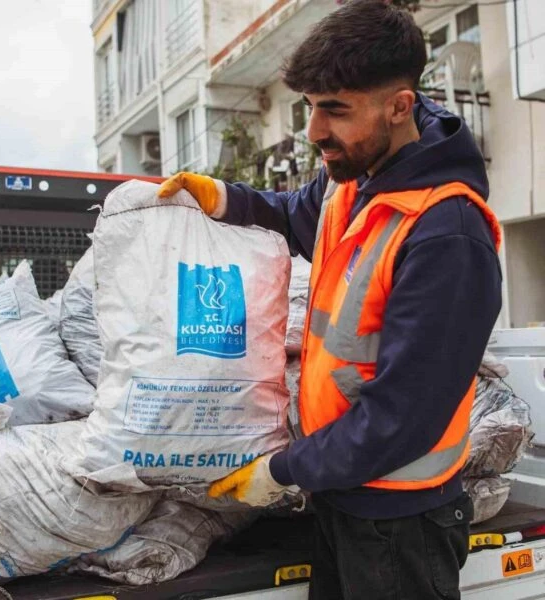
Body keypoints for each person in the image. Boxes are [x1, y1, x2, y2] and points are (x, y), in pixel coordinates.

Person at [158, 1, 502, 598]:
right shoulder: (355, 183)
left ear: (400, 107)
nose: (315, 131)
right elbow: (296, 214)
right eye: (311, 107)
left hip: (401, 522)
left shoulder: (446, 234)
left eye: (335, 110)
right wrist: (221, 197)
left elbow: (401, 419)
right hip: (344, 498)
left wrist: (283, 470)